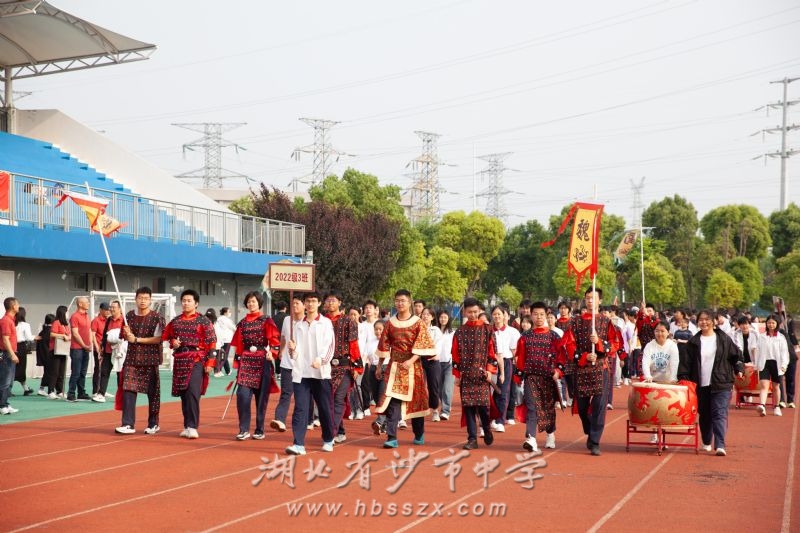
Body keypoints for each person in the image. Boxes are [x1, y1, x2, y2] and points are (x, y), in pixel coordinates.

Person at [373, 289, 436, 448]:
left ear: (409, 303)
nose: (400, 303)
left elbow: (423, 344)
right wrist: (379, 366)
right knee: (392, 401)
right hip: (395, 367)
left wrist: (411, 360)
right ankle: (391, 437)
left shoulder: (418, 322)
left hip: (413, 368)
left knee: (416, 403)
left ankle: (419, 433)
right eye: (397, 300)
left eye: (403, 300)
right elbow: (384, 345)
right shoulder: (390, 323)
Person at [562, 287, 621, 456]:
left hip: (601, 367)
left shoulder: (606, 321)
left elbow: (615, 343)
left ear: (599, 300)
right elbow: (569, 344)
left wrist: (599, 343)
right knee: (582, 406)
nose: (590, 301)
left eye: (593, 298)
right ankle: (589, 429)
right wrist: (584, 356)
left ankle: (595, 441)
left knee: (599, 405)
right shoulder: (575, 322)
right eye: (588, 298)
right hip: (582, 368)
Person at [678, 309, 744, 456]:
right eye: (701, 320)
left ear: (714, 321)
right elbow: (685, 364)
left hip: (722, 382)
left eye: (707, 319)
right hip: (701, 384)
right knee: (705, 415)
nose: (704, 322)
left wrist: (739, 368)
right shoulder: (693, 343)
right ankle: (707, 440)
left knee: (719, 413)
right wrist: (684, 380)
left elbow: (736, 356)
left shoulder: (723, 339)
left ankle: (720, 444)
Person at [285, 292, 336, 456]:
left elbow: (330, 346)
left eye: (314, 301)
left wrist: (321, 360)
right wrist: (293, 350)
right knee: (300, 408)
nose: (310, 304)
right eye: (308, 301)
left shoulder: (325, 323)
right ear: (304, 304)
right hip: (301, 374)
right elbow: (294, 353)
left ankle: (328, 439)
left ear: (319, 303)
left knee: (324, 408)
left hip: (320, 373)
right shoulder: (298, 325)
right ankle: (298, 444)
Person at [162, 289, 217, 439]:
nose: (186, 303)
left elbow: (212, 342)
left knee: (193, 391)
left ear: (196, 303)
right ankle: (187, 426)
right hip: (180, 360)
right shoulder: (175, 321)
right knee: (184, 394)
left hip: (197, 359)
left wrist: (211, 362)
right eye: (184, 301)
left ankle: (193, 426)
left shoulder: (203, 321)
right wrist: (173, 342)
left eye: (189, 301)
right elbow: (167, 337)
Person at [229, 292, 281, 441]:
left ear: (259, 303)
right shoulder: (242, 323)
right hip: (246, 362)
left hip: (262, 361)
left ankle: (259, 429)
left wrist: (272, 353)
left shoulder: (266, 320)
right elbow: (239, 345)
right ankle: (244, 429)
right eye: (249, 302)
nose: (251, 304)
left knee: (261, 397)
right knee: (242, 395)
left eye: (253, 301)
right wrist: (237, 362)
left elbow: (275, 341)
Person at [116, 287, 166, 435]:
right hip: (132, 359)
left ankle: (153, 423)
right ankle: (128, 424)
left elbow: (159, 338)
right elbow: (124, 336)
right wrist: (126, 333)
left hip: (150, 359)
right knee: (128, 390)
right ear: (135, 299)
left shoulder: (157, 318)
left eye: (146, 298)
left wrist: (137, 339)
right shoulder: (129, 316)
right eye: (140, 298)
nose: (143, 301)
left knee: (153, 392)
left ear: (150, 300)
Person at [514, 301, 563, 451]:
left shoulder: (554, 336)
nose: (539, 317)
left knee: (548, 408)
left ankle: (550, 434)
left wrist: (558, 371)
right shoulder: (525, 337)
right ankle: (531, 439)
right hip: (531, 377)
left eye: (542, 314)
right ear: (531, 315)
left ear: (546, 315)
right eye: (536, 314)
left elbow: (562, 358)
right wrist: (518, 377)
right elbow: (520, 358)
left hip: (548, 378)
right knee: (532, 407)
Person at [452, 297, 499, 450]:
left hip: (482, 376)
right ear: (464, 312)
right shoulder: (459, 332)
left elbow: (492, 352)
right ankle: (472, 439)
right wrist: (457, 375)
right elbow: (455, 355)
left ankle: (486, 428)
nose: (472, 314)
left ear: (479, 311)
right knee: (469, 408)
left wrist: (490, 370)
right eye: (469, 312)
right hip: (466, 376)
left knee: (484, 407)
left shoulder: (488, 329)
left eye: (475, 312)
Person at [324, 291, 362, 444]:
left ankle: (331, 432)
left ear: (340, 302)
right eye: (328, 300)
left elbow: (354, 344)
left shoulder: (348, 321)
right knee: (328, 400)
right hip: (325, 366)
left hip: (344, 366)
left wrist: (357, 367)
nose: (330, 303)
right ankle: (340, 431)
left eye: (333, 300)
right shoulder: (322, 320)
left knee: (338, 399)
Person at [641, 320, 680, 444]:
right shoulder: (650, 345)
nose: (659, 334)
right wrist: (647, 376)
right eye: (657, 331)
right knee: (653, 409)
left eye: (662, 331)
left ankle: (662, 435)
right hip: (653, 381)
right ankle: (654, 433)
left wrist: (673, 378)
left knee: (664, 410)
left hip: (667, 382)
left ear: (668, 332)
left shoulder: (672, 346)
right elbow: (645, 361)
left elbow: (674, 362)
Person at [272, 294, 305, 433]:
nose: (294, 306)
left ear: (304, 305)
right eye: (293, 303)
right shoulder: (287, 320)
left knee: (302, 396)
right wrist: (281, 351)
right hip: (287, 364)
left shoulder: (307, 321)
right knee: (286, 393)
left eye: (297, 303)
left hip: (302, 365)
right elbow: (283, 337)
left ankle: (307, 419)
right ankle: (279, 419)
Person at [751, 314, 790, 417]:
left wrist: (784, 364)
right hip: (764, 363)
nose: (771, 325)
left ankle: (777, 406)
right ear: (766, 324)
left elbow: (784, 352)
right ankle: (762, 405)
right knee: (764, 385)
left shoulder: (781, 337)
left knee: (776, 386)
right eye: (769, 323)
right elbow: (758, 351)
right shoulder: (762, 337)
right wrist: (756, 366)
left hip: (777, 364)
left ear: (777, 324)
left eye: (773, 323)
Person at [490, 305, 519, 433]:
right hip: (491, 363)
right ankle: (493, 417)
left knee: (503, 392)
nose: (497, 316)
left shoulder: (512, 331)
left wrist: (517, 367)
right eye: (494, 314)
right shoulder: (488, 330)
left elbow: (514, 351)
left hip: (506, 363)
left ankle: (501, 420)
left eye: (499, 314)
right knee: (494, 393)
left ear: (504, 315)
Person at [96, 301, 124, 401]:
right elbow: (104, 334)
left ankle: (121, 396)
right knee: (104, 372)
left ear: (119, 309)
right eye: (110, 307)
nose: (111, 309)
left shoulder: (125, 320)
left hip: (119, 352)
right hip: (108, 350)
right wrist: (102, 347)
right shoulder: (108, 320)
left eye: (114, 307)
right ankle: (101, 394)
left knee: (120, 374)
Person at [67, 296, 92, 402]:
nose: (89, 303)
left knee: (83, 372)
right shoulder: (75, 316)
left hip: (85, 348)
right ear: (80, 304)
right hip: (77, 349)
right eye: (87, 302)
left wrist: (89, 344)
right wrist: (84, 345)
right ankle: (71, 393)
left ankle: (81, 393)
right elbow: (75, 333)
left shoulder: (87, 316)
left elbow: (89, 331)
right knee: (76, 372)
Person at [420, 307, 443, 422]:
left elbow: (438, 345)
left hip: (432, 360)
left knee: (433, 387)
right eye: (424, 314)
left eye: (428, 314)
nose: (425, 316)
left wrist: (435, 354)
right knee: (419, 386)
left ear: (432, 317)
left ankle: (435, 410)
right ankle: (419, 410)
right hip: (419, 359)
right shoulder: (417, 328)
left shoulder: (436, 330)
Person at [0, 297, 20, 415]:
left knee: (9, 381)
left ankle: (5, 403)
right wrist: (12, 354)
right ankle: (2, 405)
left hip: (9, 353)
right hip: (6, 353)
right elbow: (5, 339)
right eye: (17, 304)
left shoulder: (10, 320)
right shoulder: (6, 320)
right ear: (13, 306)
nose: (19, 306)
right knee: (5, 381)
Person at [436, 310, 455, 421]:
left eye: (445, 317)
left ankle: (445, 411)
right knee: (439, 389)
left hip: (449, 363)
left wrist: (454, 359)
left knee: (447, 388)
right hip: (437, 363)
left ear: (448, 319)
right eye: (441, 317)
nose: (443, 319)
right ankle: (446, 404)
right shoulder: (435, 331)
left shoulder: (452, 333)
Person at [48, 305, 71, 399]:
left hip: (63, 350)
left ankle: (60, 390)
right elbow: (52, 334)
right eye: (67, 312)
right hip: (55, 350)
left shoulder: (66, 324)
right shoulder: (56, 322)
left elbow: (69, 334)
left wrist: (69, 337)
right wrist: (63, 336)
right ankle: (50, 391)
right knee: (55, 371)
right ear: (63, 313)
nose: (68, 313)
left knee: (62, 372)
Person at [90, 302, 111, 402]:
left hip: (106, 349)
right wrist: (97, 347)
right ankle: (95, 391)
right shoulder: (96, 321)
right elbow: (93, 335)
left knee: (104, 370)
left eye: (108, 310)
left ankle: (102, 390)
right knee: (98, 370)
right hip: (98, 349)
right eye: (106, 310)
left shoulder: (109, 320)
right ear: (101, 310)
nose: (108, 312)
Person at [13, 306, 35, 396]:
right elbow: (29, 337)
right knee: (21, 368)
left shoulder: (12, 323)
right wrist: (35, 337)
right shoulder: (25, 325)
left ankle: (25, 388)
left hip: (11, 346)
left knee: (11, 368)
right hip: (21, 347)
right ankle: (25, 389)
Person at [35, 314, 55, 397]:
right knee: (50, 372)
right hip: (48, 354)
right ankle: (46, 389)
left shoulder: (43, 331)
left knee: (47, 372)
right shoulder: (50, 331)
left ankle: (42, 388)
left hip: (43, 354)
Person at [214, 307, 236, 377]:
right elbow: (234, 328)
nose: (230, 313)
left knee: (221, 355)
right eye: (229, 312)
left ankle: (228, 370)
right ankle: (218, 370)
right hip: (227, 340)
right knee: (224, 356)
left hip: (220, 340)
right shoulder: (227, 320)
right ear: (225, 312)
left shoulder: (218, 319)